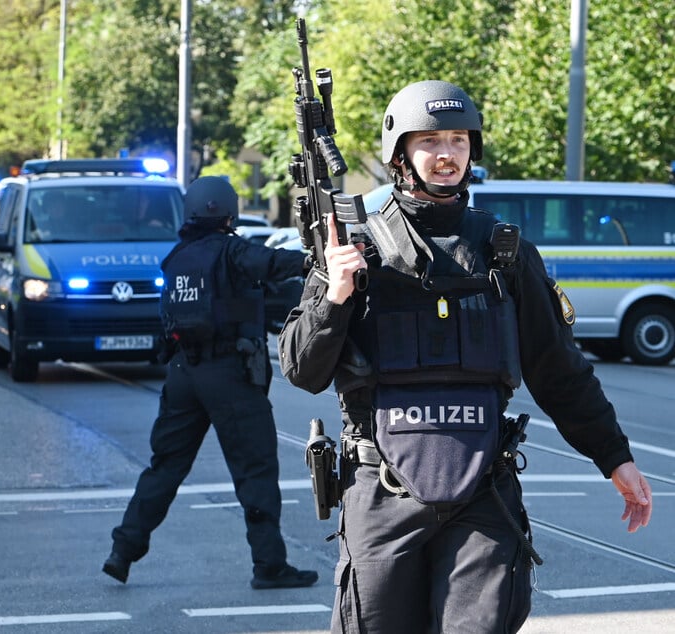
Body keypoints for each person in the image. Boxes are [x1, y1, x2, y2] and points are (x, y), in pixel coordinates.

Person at [278, 80, 653, 633]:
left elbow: (559, 371)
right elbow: (302, 369)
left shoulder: (506, 254)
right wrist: (335, 294)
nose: (447, 153)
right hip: (382, 493)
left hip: (483, 492)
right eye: (430, 140)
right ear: (400, 153)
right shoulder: (355, 249)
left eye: (458, 139)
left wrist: (614, 457)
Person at [103, 176, 318, 590]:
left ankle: (123, 551)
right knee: (255, 470)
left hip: (184, 374)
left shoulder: (176, 259)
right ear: (229, 212)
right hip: (230, 375)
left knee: (164, 468)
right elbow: (271, 264)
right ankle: (269, 565)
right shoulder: (232, 250)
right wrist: (315, 260)